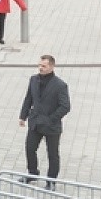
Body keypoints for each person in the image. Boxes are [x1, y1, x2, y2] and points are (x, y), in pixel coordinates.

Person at [19, 55, 71, 189]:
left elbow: (65, 106)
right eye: (39, 65)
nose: (40, 68)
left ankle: (51, 181)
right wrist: (23, 116)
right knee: (30, 149)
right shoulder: (33, 80)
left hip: (51, 126)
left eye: (44, 66)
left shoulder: (60, 85)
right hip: (35, 122)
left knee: (52, 154)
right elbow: (29, 98)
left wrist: (51, 119)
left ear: (52, 67)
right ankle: (32, 173)